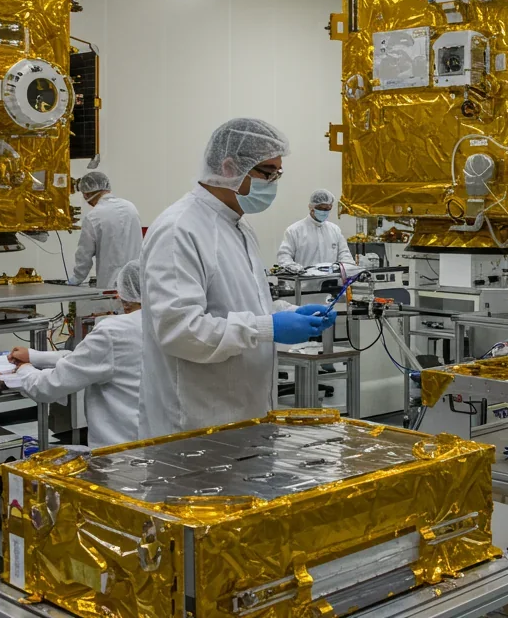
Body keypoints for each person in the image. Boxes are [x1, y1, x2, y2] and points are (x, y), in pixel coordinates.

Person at [138, 118, 336, 439]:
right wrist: (269, 328)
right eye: (267, 173)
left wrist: (284, 313)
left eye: (277, 174)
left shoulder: (239, 227)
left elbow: (242, 305)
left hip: (245, 416)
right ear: (230, 167)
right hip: (197, 425)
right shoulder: (181, 229)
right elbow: (181, 330)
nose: (273, 183)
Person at [9, 261, 145, 449]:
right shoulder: (168, 324)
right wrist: (35, 356)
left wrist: (24, 371)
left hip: (119, 453)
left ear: (122, 295)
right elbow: (91, 359)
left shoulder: (113, 331)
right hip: (161, 446)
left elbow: (50, 386)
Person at [69, 171, 142, 288]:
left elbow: (84, 255)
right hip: (136, 284)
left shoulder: (94, 216)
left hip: (110, 286)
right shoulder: (130, 207)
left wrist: (76, 278)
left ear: (86, 194)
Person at [276, 189, 353, 272]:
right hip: (304, 282)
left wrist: (348, 269)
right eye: (320, 208)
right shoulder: (294, 231)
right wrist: (296, 269)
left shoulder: (334, 230)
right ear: (311, 207)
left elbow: (344, 255)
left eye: (327, 209)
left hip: (331, 281)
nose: (324, 212)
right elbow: (284, 256)